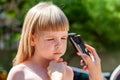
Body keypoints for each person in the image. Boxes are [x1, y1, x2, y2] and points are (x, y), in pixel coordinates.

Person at [7, 2, 103, 80]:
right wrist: (57, 77)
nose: (59, 44)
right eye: (50, 39)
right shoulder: (20, 73)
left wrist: (96, 74)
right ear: (32, 39)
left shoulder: (68, 72)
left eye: (63, 38)